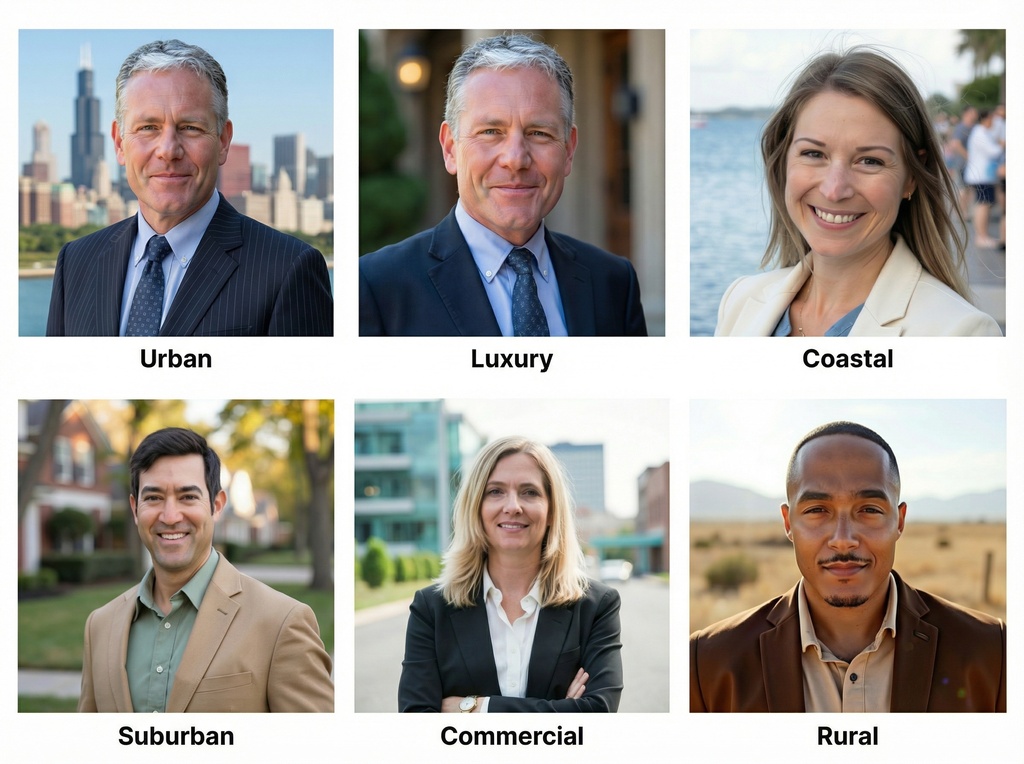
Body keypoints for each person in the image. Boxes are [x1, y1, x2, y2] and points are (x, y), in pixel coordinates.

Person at [690, 421, 1006, 713]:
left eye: (869, 509)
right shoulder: (709, 662)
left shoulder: (994, 652)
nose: (843, 541)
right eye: (817, 510)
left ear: (900, 521)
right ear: (789, 523)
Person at [359, 34, 647, 336]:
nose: (515, 159)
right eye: (491, 131)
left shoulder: (614, 284)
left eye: (538, 133)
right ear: (450, 148)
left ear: (569, 150)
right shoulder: (376, 288)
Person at [47, 40, 333, 336]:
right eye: (148, 127)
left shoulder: (288, 269)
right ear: (120, 143)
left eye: (190, 128)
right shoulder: (75, 262)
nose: (168, 150)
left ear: (223, 141)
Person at [715, 48, 1001, 336]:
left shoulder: (960, 333)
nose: (834, 189)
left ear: (911, 177)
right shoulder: (739, 302)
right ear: (784, 161)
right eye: (814, 153)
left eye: (870, 161)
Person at [78, 428, 333, 712]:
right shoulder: (99, 626)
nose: (170, 516)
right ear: (135, 508)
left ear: (217, 505)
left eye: (187, 497)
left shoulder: (282, 623)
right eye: (153, 498)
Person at [398, 437, 622, 712]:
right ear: (476, 508)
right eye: (495, 491)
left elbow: (598, 713)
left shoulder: (596, 606)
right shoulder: (431, 609)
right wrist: (560, 709)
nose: (513, 506)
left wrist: (475, 709)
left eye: (530, 492)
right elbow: (416, 722)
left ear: (552, 510)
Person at [963, 108, 1005, 249]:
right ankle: (981, 236)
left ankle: (982, 235)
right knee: (983, 204)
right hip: (981, 176)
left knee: (983, 203)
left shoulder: (982, 132)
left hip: (982, 175)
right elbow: (993, 152)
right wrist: (1002, 145)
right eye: (992, 119)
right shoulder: (980, 133)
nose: (994, 122)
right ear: (986, 119)